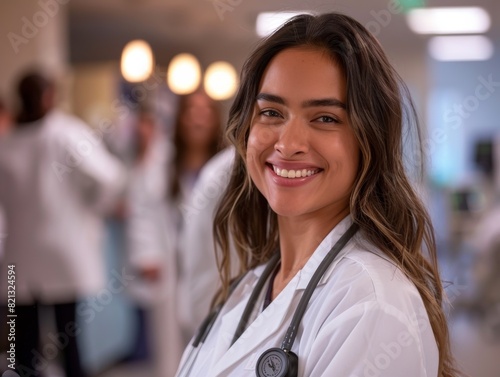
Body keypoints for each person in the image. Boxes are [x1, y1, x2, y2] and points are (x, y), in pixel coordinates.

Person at [175, 13, 459, 377]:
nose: (288, 144)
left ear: (368, 140)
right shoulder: (251, 287)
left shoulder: (371, 307)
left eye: (325, 118)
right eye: (271, 112)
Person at [0, 72, 126, 377]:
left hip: (18, 260)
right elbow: (110, 176)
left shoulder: (7, 142)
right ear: (49, 96)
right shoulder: (64, 132)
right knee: (69, 343)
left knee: (21, 346)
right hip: (61, 255)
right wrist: (93, 207)